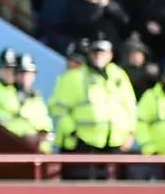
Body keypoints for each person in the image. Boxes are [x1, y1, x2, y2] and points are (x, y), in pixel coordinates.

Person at [51, 38, 137, 178]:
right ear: (89, 54)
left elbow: (130, 106)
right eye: (95, 52)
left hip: (114, 143)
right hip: (83, 144)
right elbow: (59, 109)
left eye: (103, 52)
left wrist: (131, 133)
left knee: (113, 188)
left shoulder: (119, 75)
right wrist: (73, 132)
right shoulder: (74, 77)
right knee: (81, 186)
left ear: (110, 54)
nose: (99, 56)